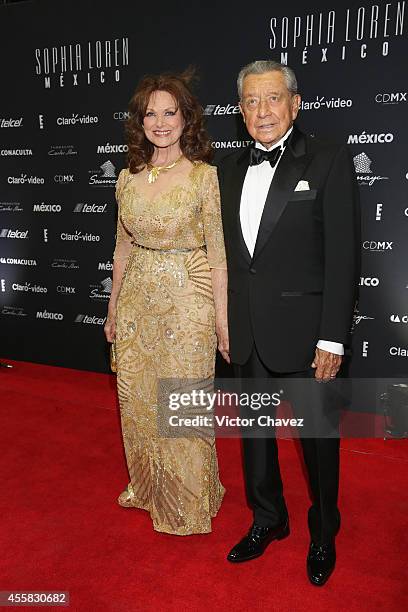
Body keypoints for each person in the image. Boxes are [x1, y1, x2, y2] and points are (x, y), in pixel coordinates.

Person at [217, 60, 360, 585]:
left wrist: (332, 337)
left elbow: (344, 255)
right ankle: (268, 519)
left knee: (319, 440)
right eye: (251, 102)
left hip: (307, 334)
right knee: (255, 437)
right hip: (249, 331)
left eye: (272, 99)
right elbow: (229, 259)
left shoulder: (328, 158)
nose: (262, 111)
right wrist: (226, 323)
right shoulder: (229, 171)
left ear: (295, 104)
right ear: (240, 112)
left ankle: (323, 530)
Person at [104, 70, 229, 535]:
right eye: (150, 114)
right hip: (137, 300)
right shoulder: (127, 178)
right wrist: (113, 307)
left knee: (181, 402)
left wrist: (222, 321)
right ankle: (147, 487)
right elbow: (121, 247)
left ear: (185, 118)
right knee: (137, 400)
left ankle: (187, 504)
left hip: (187, 301)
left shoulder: (204, 177)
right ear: (139, 122)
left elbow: (217, 254)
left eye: (169, 112)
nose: (160, 122)